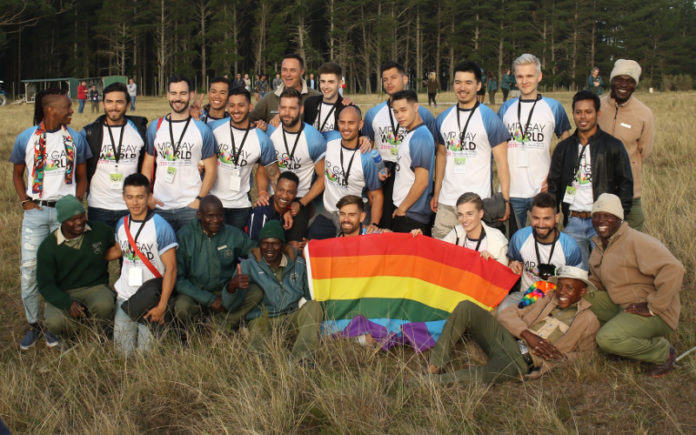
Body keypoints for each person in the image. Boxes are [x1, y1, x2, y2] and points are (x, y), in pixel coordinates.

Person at [10, 87, 90, 350]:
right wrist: (25, 201)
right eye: (67, 106)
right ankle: (34, 324)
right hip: (36, 214)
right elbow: (17, 174)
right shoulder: (26, 138)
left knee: (63, 270)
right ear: (50, 110)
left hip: (65, 215)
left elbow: (82, 175)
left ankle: (57, 325)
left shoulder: (76, 138)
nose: (72, 110)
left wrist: (77, 204)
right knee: (30, 271)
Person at [427, 265, 599, 383]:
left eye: (569, 288)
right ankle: (436, 364)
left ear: (582, 292)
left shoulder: (589, 320)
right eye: (560, 286)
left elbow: (587, 354)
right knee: (466, 307)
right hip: (506, 339)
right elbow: (508, 313)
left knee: (482, 376)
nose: (562, 292)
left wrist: (562, 358)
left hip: (522, 361)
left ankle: (429, 383)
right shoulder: (544, 297)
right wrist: (527, 334)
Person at [584, 194, 683, 377]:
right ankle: (626, 345)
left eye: (608, 216)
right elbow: (598, 280)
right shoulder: (599, 245)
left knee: (606, 339)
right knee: (582, 299)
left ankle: (663, 352)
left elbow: (674, 269)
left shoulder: (636, 241)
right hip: (622, 304)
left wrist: (653, 306)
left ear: (619, 219)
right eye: (597, 215)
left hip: (654, 310)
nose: (601, 221)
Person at [548, 90, 633, 268]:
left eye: (588, 112)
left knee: (603, 272)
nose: (583, 117)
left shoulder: (613, 146)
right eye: (578, 112)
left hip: (603, 221)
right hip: (573, 221)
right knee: (575, 273)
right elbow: (554, 184)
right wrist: (554, 213)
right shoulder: (563, 148)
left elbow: (625, 183)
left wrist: (619, 216)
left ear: (598, 113)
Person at [432, 61, 510, 239]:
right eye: (458, 82)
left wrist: (505, 200)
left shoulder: (489, 118)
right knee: (442, 257)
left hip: (477, 203)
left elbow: (502, 163)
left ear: (479, 85)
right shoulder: (443, 118)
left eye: (468, 83)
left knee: (473, 259)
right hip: (447, 203)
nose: (462, 87)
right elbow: (441, 156)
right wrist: (436, 192)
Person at [226, 220, 323, 360]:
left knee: (314, 306)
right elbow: (230, 304)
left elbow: (309, 295)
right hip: (263, 318)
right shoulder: (247, 266)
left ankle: (302, 358)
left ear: (282, 245)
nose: (269, 248)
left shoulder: (298, 264)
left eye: (275, 243)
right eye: (265, 243)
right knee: (261, 356)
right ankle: (262, 360)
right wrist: (231, 287)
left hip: (290, 317)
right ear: (260, 244)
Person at [107, 173, 178, 356]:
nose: (135, 203)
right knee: (123, 355)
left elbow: (171, 268)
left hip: (151, 299)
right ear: (123, 197)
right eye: (130, 197)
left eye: (140, 197)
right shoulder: (121, 225)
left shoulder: (161, 227)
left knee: (147, 356)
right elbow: (118, 250)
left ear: (148, 197)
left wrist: (162, 306)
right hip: (126, 296)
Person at [498, 54, 571, 228]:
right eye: (520, 76)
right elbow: (496, 147)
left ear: (539, 77)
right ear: (515, 78)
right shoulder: (506, 108)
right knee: (514, 244)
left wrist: (552, 176)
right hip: (512, 191)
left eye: (529, 76)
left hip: (541, 190)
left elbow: (567, 145)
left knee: (542, 244)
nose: (524, 81)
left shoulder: (553, 107)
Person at [362, 61, 437, 229]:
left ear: (405, 79)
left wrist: (436, 190)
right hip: (386, 172)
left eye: (393, 78)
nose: (389, 82)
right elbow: (367, 146)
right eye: (385, 79)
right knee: (386, 227)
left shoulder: (424, 116)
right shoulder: (373, 113)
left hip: (414, 179)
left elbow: (435, 153)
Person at [36, 195, 116, 346]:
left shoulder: (99, 231)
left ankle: (98, 334)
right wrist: (67, 303)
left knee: (105, 305)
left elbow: (122, 241)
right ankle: (71, 337)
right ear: (62, 221)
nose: (79, 222)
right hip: (64, 291)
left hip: (94, 287)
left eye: (82, 216)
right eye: (72, 219)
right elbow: (45, 284)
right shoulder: (48, 247)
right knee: (54, 322)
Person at [141, 74, 217, 232]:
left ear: (191, 95)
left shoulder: (202, 130)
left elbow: (211, 169)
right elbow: (148, 164)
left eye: (183, 93)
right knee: (163, 254)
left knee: (189, 255)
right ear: (168, 95)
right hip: (160, 205)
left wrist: (199, 199)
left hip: (190, 207)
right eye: (173, 93)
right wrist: (147, 195)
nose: (178, 98)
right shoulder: (155, 127)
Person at [174, 195, 263, 327]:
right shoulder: (184, 236)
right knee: (181, 308)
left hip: (226, 290)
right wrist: (210, 300)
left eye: (219, 215)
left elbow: (253, 249)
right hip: (197, 291)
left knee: (256, 292)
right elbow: (178, 281)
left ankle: (217, 323)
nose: (216, 220)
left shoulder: (231, 233)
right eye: (210, 216)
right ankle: (199, 328)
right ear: (199, 215)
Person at [260, 88, 327, 243]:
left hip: (299, 199)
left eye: (292, 108)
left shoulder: (313, 138)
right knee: (268, 245)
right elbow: (263, 169)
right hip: (274, 196)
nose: (287, 113)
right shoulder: (270, 133)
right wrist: (263, 191)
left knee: (293, 247)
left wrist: (301, 203)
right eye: (283, 108)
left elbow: (323, 178)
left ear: (301, 109)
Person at [309, 106, 383, 238]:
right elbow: (304, 132)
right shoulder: (329, 138)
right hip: (329, 212)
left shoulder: (368, 157)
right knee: (314, 246)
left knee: (353, 256)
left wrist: (374, 224)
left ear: (360, 124)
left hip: (355, 217)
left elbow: (376, 195)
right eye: (342, 122)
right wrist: (277, 119)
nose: (346, 127)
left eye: (351, 123)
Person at [208, 87, 277, 229]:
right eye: (232, 105)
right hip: (213, 203)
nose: (236, 110)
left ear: (250, 107)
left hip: (241, 207)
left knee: (238, 249)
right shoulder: (213, 128)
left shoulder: (262, 139)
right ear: (227, 106)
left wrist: (264, 193)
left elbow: (272, 173)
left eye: (241, 105)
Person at [82, 82, 148, 229]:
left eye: (119, 102)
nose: (114, 107)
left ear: (128, 104)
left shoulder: (140, 131)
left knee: (130, 251)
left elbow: (148, 165)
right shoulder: (89, 132)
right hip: (99, 207)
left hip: (131, 206)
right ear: (102, 104)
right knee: (101, 252)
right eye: (109, 102)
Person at [501, 192, 583, 311]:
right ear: (530, 215)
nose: (540, 224)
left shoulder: (570, 247)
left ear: (557, 218)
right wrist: (513, 265)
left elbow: (576, 281)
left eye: (546, 218)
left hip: (556, 298)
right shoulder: (520, 238)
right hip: (526, 295)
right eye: (536, 218)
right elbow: (512, 262)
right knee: (503, 310)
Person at [598, 59, 654, 230]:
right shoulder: (597, 106)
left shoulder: (644, 114)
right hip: (598, 187)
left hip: (630, 191)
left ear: (635, 85)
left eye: (629, 81)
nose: (623, 85)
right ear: (611, 80)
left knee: (633, 235)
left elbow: (645, 151)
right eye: (619, 79)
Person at [387, 90, 435, 233]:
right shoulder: (412, 134)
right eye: (395, 112)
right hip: (406, 211)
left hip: (411, 215)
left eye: (403, 110)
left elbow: (422, 181)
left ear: (415, 107)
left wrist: (403, 208)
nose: (399, 116)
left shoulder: (420, 137)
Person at [417, 192, 508, 265]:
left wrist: (492, 265)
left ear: (481, 213)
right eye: (460, 214)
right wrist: (420, 240)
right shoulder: (457, 232)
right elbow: (436, 251)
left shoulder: (498, 240)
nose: (464, 220)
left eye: (469, 214)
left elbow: (503, 279)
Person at [249, 54, 320, 125]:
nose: (288, 74)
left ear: (302, 72)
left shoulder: (316, 97)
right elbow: (248, 121)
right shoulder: (269, 99)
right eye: (284, 70)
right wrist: (259, 126)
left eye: (292, 70)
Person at [246, 171, 300, 242]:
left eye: (290, 192)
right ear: (275, 189)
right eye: (281, 190)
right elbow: (254, 245)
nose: (284, 196)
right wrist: (287, 248)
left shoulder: (289, 211)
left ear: (295, 194)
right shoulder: (261, 211)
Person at [303, 62, 349, 136]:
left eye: (331, 82)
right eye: (323, 81)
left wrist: (364, 138)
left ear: (340, 83)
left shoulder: (347, 109)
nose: (325, 86)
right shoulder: (310, 103)